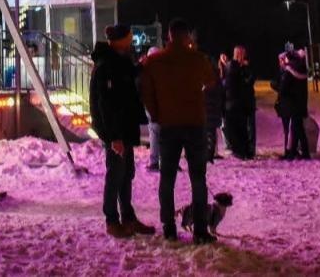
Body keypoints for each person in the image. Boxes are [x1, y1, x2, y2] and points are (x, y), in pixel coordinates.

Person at [140, 18, 218, 244]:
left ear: (168, 36)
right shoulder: (197, 59)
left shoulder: (155, 61)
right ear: (187, 37)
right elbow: (211, 81)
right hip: (194, 123)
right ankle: (201, 230)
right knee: (198, 177)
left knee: (167, 177)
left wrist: (156, 114)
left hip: (168, 124)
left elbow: (146, 90)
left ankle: (169, 227)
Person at [89, 24, 154, 237]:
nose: (131, 40)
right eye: (128, 37)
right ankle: (112, 220)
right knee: (116, 174)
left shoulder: (119, 61)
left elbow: (127, 76)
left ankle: (128, 218)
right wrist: (113, 137)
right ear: (119, 41)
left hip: (124, 128)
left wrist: (141, 66)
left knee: (126, 173)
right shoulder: (105, 65)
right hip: (115, 131)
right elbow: (105, 104)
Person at [277, 43, 311, 159]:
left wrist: (277, 86)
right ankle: (303, 152)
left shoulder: (289, 71)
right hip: (300, 103)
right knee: (299, 129)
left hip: (291, 105)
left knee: (293, 130)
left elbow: (283, 89)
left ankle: (291, 152)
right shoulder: (301, 69)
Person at [222, 46, 256, 160]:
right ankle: (242, 151)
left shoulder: (235, 66)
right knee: (238, 128)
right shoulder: (235, 66)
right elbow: (242, 84)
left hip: (236, 102)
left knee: (241, 128)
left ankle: (243, 151)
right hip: (236, 102)